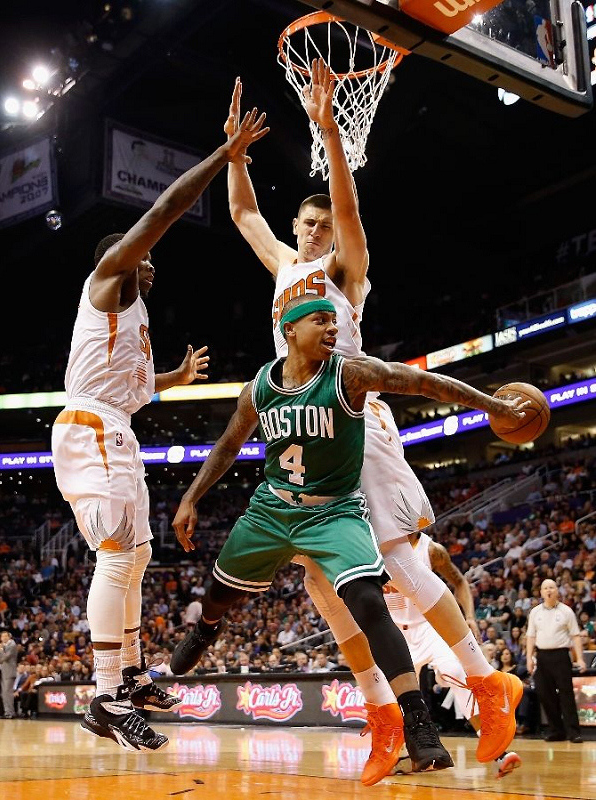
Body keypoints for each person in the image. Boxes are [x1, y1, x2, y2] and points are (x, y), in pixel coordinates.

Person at [222, 59, 524, 780]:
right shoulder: (283, 269)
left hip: (356, 417)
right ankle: (383, 716)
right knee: (321, 585)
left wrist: (329, 129)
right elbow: (242, 214)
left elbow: (349, 212)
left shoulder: (342, 269)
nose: (316, 231)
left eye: (324, 225)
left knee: (396, 560)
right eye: (308, 223)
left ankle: (485, 683)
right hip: (306, 427)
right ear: (295, 228)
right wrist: (233, 156)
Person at [170, 294, 528, 785]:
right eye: (320, 320)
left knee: (370, 596)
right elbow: (230, 443)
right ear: (289, 329)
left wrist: (492, 404)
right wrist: (191, 497)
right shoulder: (260, 386)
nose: (332, 328)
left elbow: (426, 383)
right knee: (221, 594)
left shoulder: (350, 374)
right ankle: (206, 629)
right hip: (274, 506)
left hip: (334, 509)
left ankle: (421, 719)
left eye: (334, 321)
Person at [50, 107, 269, 752]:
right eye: (141, 256)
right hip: (90, 425)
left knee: (138, 555)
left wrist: (176, 376)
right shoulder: (107, 281)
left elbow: (137, 391)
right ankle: (104, 695)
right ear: (121, 260)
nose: (151, 264)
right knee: (117, 555)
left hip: (115, 426)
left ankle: (131, 674)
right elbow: (165, 210)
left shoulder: (134, 320)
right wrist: (223, 155)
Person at [384, 533, 521, 780]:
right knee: (394, 699)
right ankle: (402, 754)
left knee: (456, 672)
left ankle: (496, 750)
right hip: (395, 632)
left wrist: (469, 616)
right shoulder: (375, 547)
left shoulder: (432, 550)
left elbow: (459, 581)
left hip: (430, 625)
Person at [525, 579, 585, 742]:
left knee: (566, 694)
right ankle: (557, 731)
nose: (549, 590)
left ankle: (574, 732)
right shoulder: (535, 612)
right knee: (546, 694)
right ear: (541, 592)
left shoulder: (566, 611)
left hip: (561, 655)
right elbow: (530, 636)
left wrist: (580, 658)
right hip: (542, 656)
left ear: (557, 591)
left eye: (551, 587)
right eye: (545, 588)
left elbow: (575, 636)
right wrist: (529, 658)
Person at [0, 631, 18, 718]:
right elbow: (0, 660)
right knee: (4, 693)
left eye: (5, 636)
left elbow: (5, 657)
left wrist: (1, 650)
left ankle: (10, 712)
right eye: (2, 636)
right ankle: (7, 712)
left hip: (10, 672)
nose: (4, 638)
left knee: (8, 692)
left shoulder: (12, 645)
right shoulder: (4, 646)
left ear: (9, 637)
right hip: (4, 672)